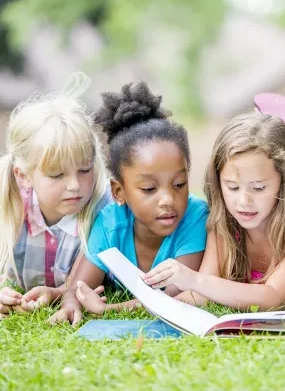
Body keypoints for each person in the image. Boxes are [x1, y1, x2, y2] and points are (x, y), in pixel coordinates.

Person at [142, 98, 285, 311]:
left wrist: (193, 279)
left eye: (258, 188)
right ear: (218, 182)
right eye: (232, 187)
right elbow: (203, 293)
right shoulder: (223, 220)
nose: (244, 202)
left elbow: (273, 296)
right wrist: (145, 304)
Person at [51, 82, 208, 325]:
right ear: (118, 191)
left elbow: (174, 293)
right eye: (149, 189)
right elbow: (79, 287)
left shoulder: (195, 216)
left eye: (179, 184)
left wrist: (110, 309)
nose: (168, 199)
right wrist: (71, 303)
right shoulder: (109, 223)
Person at [0, 77, 110, 319]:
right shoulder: (9, 202)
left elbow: (86, 285)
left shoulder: (104, 209)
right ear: (24, 176)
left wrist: (59, 293)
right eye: (57, 174)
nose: (75, 185)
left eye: (84, 170)